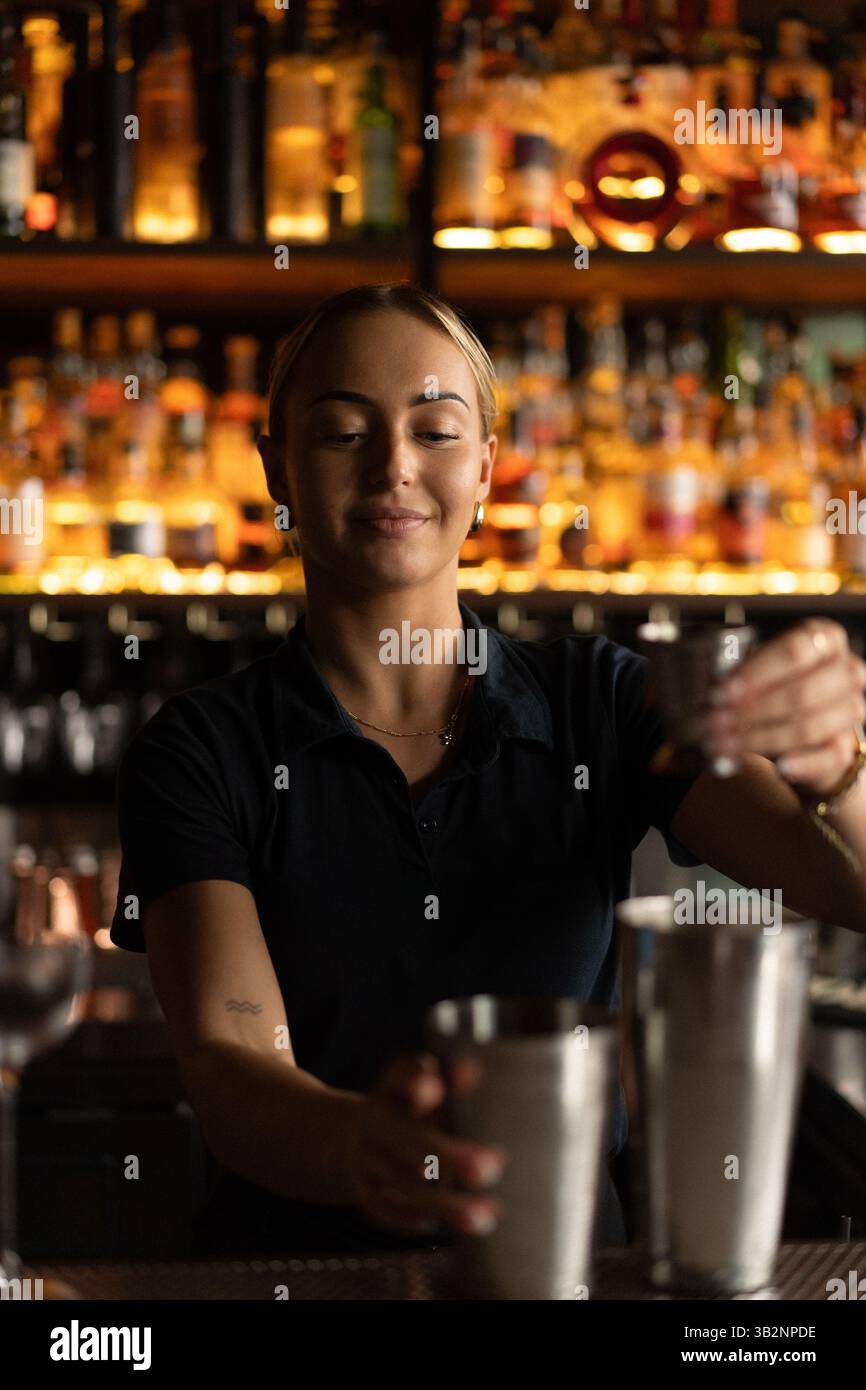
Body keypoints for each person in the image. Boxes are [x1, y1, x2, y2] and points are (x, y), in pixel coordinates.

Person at [111, 284, 866, 1256]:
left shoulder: (599, 701)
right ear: (278, 471)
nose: (392, 466)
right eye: (343, 432)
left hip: (560, 1267)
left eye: (433, 430)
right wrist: (363, 1148)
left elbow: (846, 886)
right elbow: (228, 1054)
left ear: (484, 469)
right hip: (297, 1279)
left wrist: (834, 769)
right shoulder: (201, 748)